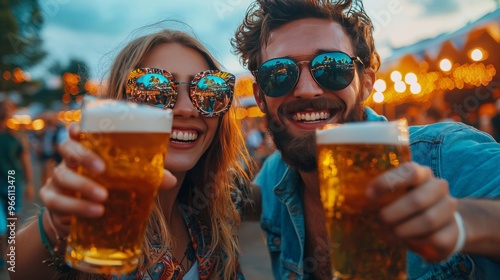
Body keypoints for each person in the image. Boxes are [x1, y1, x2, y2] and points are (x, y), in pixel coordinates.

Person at [232, 0, 500, 279]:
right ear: (261, 96)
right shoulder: (274, 176)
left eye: (332, 67)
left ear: (367, 82)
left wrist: (461, 220)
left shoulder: (440, 158)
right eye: (279, 74)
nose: (307, 90)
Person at [11, 28, 253, 280]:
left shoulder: (221, 200)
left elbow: (281, 191)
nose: (186, 109)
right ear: (118, 107)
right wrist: (52, 226)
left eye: (208, 92)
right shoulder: (99, 214)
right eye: (154, 91)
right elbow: (15, 268)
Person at [0, 99, 35, 270]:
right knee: (1, 225)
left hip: (13, 181)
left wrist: (29, 182)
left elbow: (25, 159)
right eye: (4, 108)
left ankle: (11, 256)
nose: (7, 111)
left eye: (9, 108)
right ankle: (2, 258)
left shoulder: (16, 135)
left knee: (13, 221)